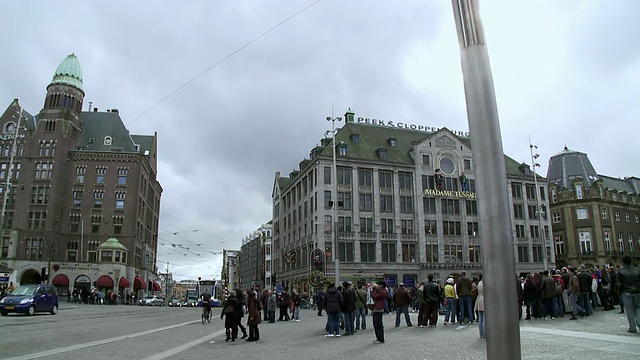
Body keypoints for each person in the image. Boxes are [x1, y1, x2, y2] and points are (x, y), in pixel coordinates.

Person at [616, 256, 640, 333]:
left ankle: (632, 327)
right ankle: (639, 323)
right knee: (637, 308)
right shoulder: (637, 270)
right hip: (637, 292)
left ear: (623, 262)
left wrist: (618, 292)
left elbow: (618, 284)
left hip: (626, 292)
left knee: (629, 310)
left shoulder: (621, 271)